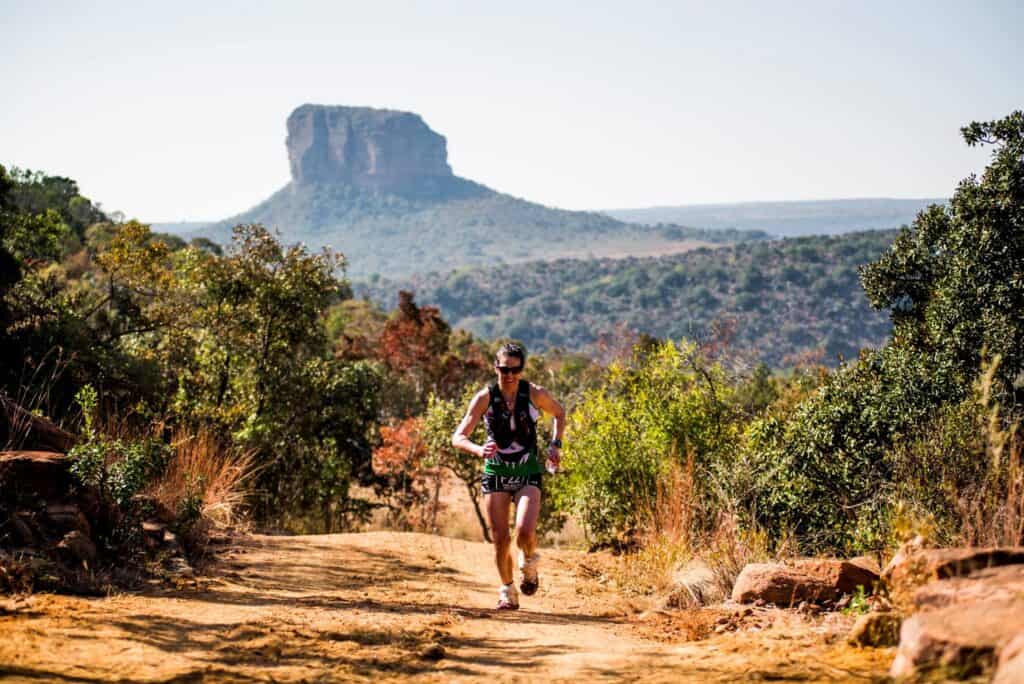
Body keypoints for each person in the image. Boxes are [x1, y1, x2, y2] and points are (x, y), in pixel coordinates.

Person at [451, 342, 565, 610]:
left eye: (516, 369)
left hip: (527, 471)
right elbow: (458, 437)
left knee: (525, 532)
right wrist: (479, 450)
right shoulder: (485, 398)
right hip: (496, 472)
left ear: (522, 369)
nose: (510, 375)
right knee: (501, 540)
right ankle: (507, 590)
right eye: (504, 369)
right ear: (496, 368)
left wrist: (555, 444)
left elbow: (559, 413)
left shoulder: (535, 393)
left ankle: (529, 563)